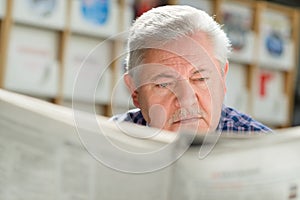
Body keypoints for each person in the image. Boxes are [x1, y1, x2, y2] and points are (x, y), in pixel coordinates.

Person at [111, 5, 271, 134]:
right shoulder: (108, 140)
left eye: (200, 79)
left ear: (222, 78)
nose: (186, 100)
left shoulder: (264, 151)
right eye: (164, 84)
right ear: (135, 92)